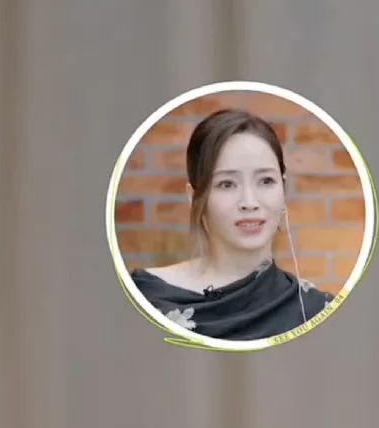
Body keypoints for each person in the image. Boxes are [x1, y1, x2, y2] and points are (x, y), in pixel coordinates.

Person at [129, 107, 334, 341]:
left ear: (283, 188)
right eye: (227, 184)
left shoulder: (315, 311)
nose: (249, 202)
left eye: (266, 181)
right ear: (194, 198)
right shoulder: (146, 299)